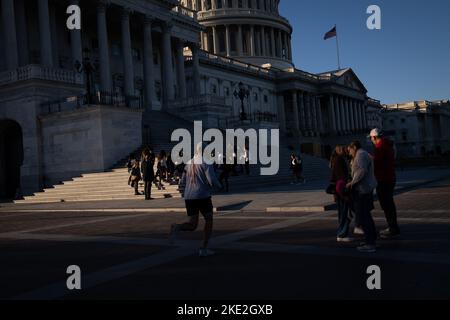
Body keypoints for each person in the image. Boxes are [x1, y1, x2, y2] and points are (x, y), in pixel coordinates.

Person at [169, 143, 222, 257]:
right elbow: (211, 179)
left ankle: (177, 227)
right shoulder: (206, 161)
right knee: (209, 220)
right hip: (202, 195)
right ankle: (204, 248)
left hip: (189, 196)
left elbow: (182, 181)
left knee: (192, 225)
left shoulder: (189, 162)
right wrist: (219, 186)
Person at [346, 141, 378, 253]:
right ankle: (371, 239)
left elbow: (361, 171)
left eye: (349, 150)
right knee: (366, 216)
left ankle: (370, 243)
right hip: (365, 189)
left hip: (363, 190)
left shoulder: (360, 155)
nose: (349, 152)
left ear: (354, 147)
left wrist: (352, 183)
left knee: (364, 216)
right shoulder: (362, 154)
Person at [369, 128, 400, 239]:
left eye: (371, 138)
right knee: (389, 204)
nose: (371, 140)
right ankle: (393, 226)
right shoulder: (389, 145)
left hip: (383, 179)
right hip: (390, 177)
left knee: (386, 205)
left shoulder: (380, 147)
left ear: (374, 137)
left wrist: (371, 159)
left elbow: (378, 164)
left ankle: (392, 228)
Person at [330, 145, 353, 242]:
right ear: (339, 151)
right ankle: (341, 234)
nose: (346, 150)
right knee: (344, 213)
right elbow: (340, 178)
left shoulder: (337, 159)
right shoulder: (339, 160)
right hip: (342, 190)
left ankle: (342, 233)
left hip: (339, 190)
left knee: (343, 213)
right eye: (343, 149)